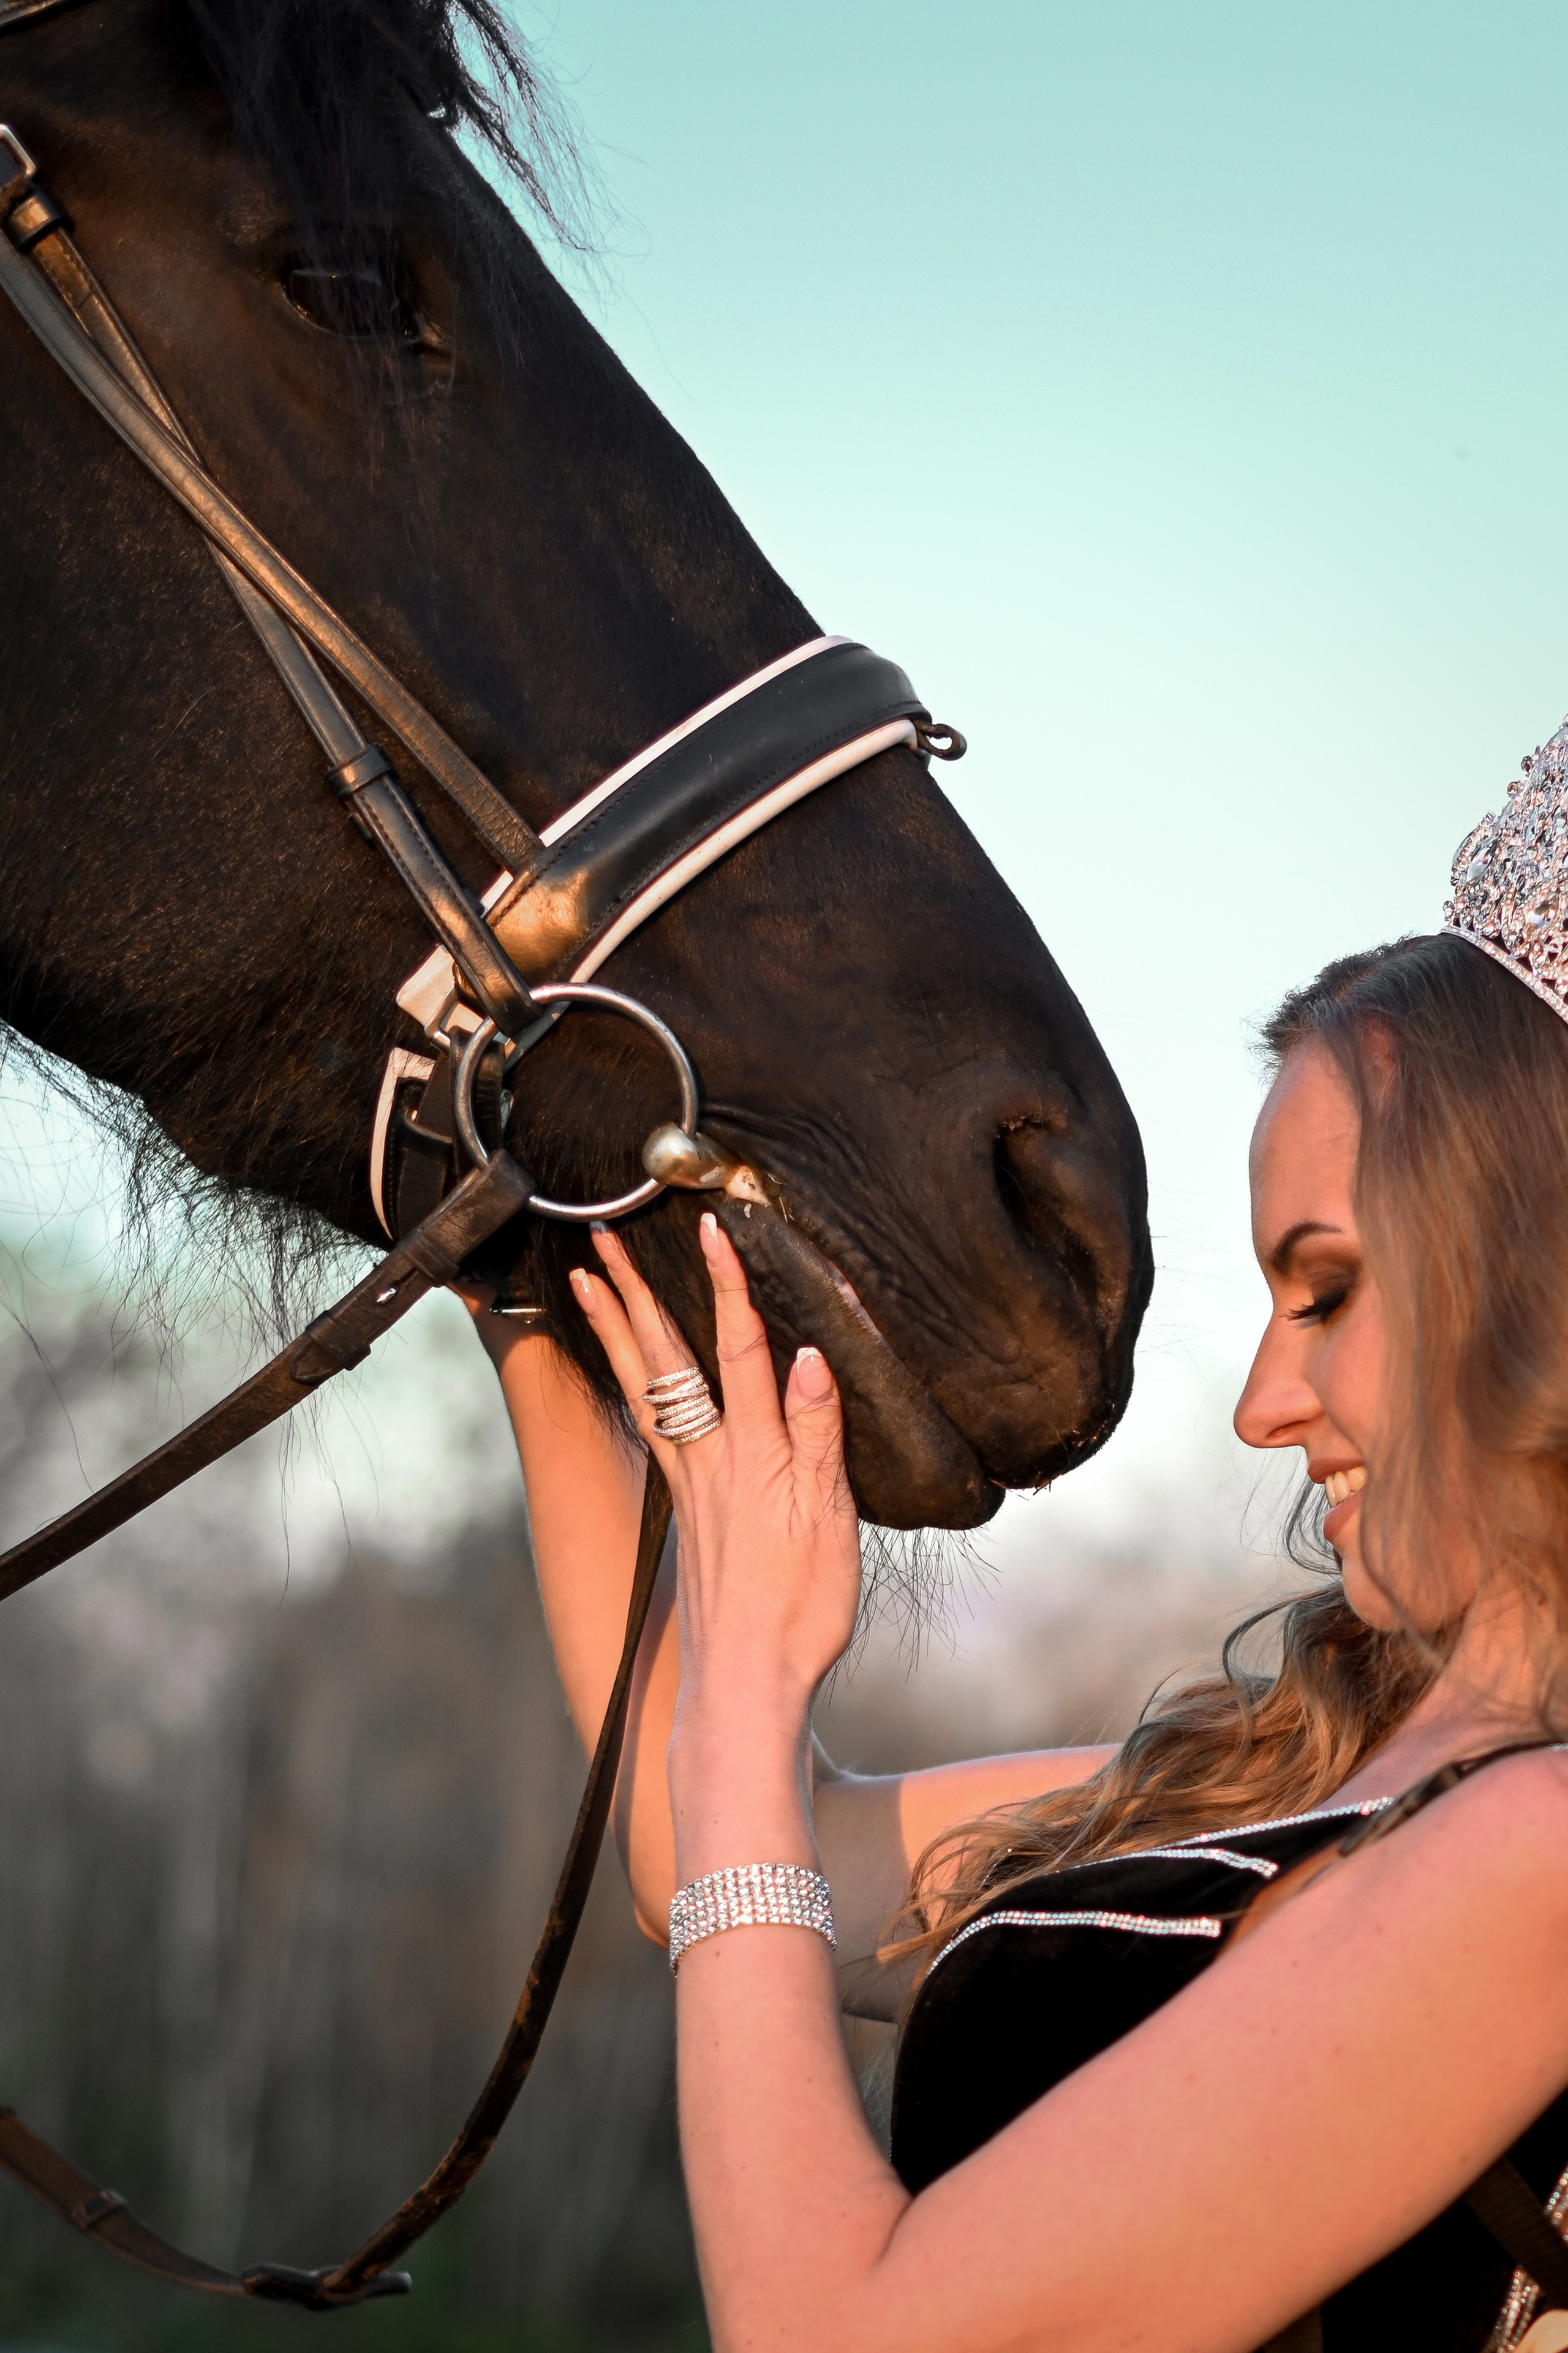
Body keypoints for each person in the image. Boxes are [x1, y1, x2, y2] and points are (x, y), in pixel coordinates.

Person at [464, 725, 1568, 2353]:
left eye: (1326, 1290)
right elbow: (699, 1847)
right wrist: (519, 1278)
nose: (1265, 1400)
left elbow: (834, 2329)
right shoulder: (1304, 1760)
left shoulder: (1539, 1849)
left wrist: (760, 1681)